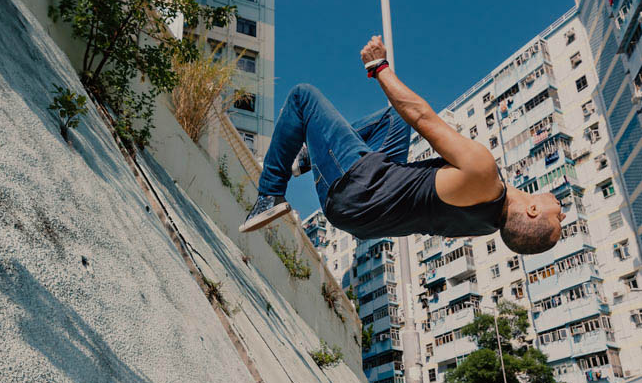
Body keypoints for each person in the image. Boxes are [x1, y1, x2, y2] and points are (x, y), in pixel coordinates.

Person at [240, 35, 564, 255]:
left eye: (559, 219)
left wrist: (378, 67)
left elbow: (423, 118)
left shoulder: (482, 173)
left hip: (359, 188)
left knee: (302, 97)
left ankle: (270, 195)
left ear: (533, 211)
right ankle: (309, 156)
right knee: (392, 120)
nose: (564, 213)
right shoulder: (483, 227)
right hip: (360, 218)